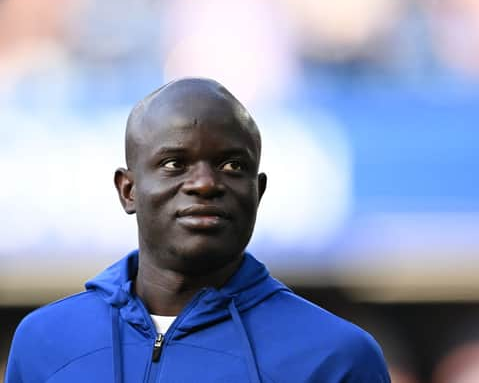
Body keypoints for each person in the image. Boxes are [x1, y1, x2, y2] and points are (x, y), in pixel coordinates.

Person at [5, 78, 390, 383]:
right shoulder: (44, 342)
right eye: (174, 163)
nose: (205, 184)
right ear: (128, 190)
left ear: (258, 192)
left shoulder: (335, 357)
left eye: (232, 166)